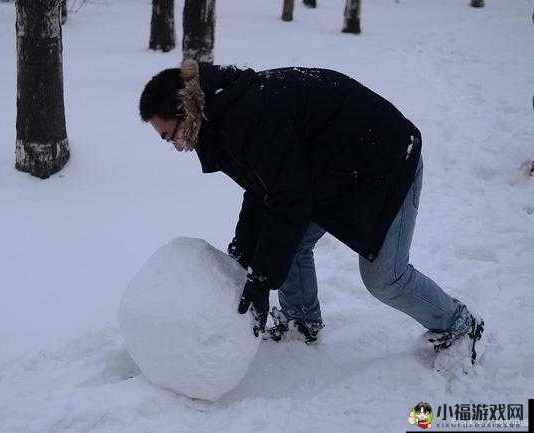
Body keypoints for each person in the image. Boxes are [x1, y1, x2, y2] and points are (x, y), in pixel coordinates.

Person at [138, 60, 484, 371]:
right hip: (330, 168)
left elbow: (287, 202)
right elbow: (263, 190)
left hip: (386, 160)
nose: (173, 145)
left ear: (184, 109)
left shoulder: (244, 118)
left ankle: (459, 326)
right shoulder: (221, 115)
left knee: (384, 278)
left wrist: (262, 280)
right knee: (290, 243)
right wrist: (243, 255)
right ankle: (300, 321)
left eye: (168, 135)